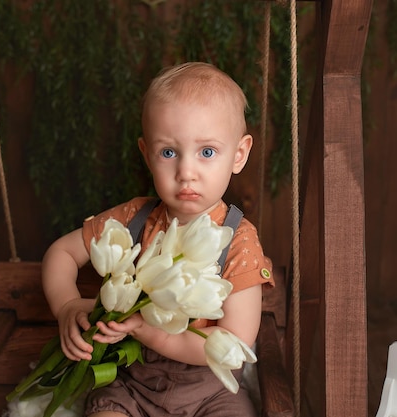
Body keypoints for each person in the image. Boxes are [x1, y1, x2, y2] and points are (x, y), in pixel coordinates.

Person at [41, 62, 276, 417]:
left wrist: (151, 333)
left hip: (209, 391)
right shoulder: (134, 219)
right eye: (169, 152)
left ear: (238, 155)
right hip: (131, 384)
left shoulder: (238, 241)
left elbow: (235, 343)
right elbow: (61, 252)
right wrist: (67, 306)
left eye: (207, 152)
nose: (186, 172)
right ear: (147, 154)